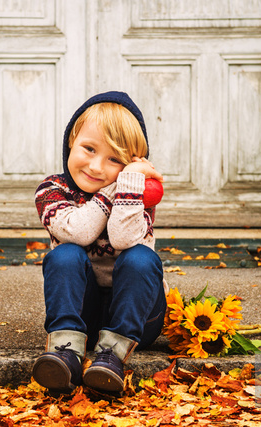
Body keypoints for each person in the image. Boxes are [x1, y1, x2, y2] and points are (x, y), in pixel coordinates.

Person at [32, 91, 166, 393]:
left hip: (138, 316)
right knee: (64, 255)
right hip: (84, 312)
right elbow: (79, 232)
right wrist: (111, 191)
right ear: (71, 140)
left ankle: (113, 357)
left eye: (114, 159)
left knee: (141, 259)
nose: (95, 166)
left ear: (132, 164)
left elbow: (123, 239)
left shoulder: (137, 194)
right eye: (89, 149)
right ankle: (65, 350)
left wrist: (128, 188)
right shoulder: (52, 190)